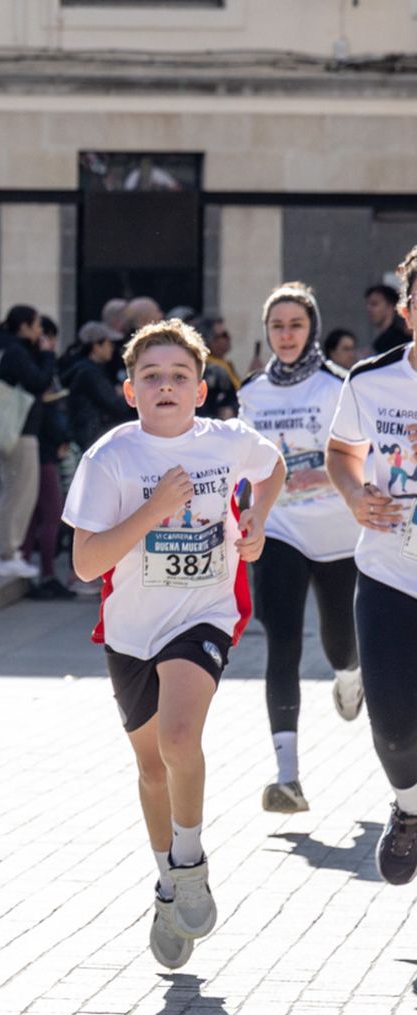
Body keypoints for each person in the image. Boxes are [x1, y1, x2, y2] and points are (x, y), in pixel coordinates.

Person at [64, 318, 285, 969]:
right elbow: (84, 563)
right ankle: (166, 880)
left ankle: (189, 861)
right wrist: (152, 511)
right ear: (130, 390)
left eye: (179, 376)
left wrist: (256, 522)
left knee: (179, 740)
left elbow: (271, 469)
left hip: (205, 614)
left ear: (202, 386)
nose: (166, 385)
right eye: (152, 376)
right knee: (151, 767)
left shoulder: (227, 442)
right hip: (132, 629)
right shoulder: (110, 457)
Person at [238, 282, 362, 814]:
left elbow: (363, 457)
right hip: (279, 530)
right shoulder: (251, 392)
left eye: (296, 325)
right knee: (282, 640)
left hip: (339, 536)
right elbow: (242, 463)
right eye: (277, 326)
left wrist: (323, 478)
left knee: (341, 642)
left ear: (312, 328)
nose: (286, 335)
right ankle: (287, 777)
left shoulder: (339, 386)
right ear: (266, 332)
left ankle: (349, 676)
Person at [327, 246, 417, 886]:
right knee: (391, 729)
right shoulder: (372, 381)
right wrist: (356, 494)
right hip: (389, 573)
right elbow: (340, 452)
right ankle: (410, 810)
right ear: (408, 311)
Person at [0, 305, 51, 579]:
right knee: (18, 493)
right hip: (19, 431)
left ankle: (10, 553)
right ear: (23, 327)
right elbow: (38, 381)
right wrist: (48, 355)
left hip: (18, 431)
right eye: (36, 326)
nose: (39, 332)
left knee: (16, 491)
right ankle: (7, 554)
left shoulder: (5, 347)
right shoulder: (14, 351)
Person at [23, 316, 74, 600]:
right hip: (44, 449)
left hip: (45, 447)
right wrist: (46, 356)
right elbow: (49, 408)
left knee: (38, 515)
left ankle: (38, 570)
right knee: (51, 513)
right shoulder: (40, 365)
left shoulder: (41, 365)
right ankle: (45, 573)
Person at [62, 320, 131, 451]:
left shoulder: (90, 369)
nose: (112, 348)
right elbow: (114, 404)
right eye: (108, 343)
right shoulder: (89, 372)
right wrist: (130, 396)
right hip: (89, 437)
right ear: (96, 346)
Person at [191, 315, 239, 419]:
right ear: (208, 340)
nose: (228, 338)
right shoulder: (207, 370)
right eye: (223, 335)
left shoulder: (224, 364)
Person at [366, 283, 411, 356]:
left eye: (374, 304)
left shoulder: (400, 340)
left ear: (391, 306)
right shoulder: (381, 341)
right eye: (368, 305)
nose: (369, 309)